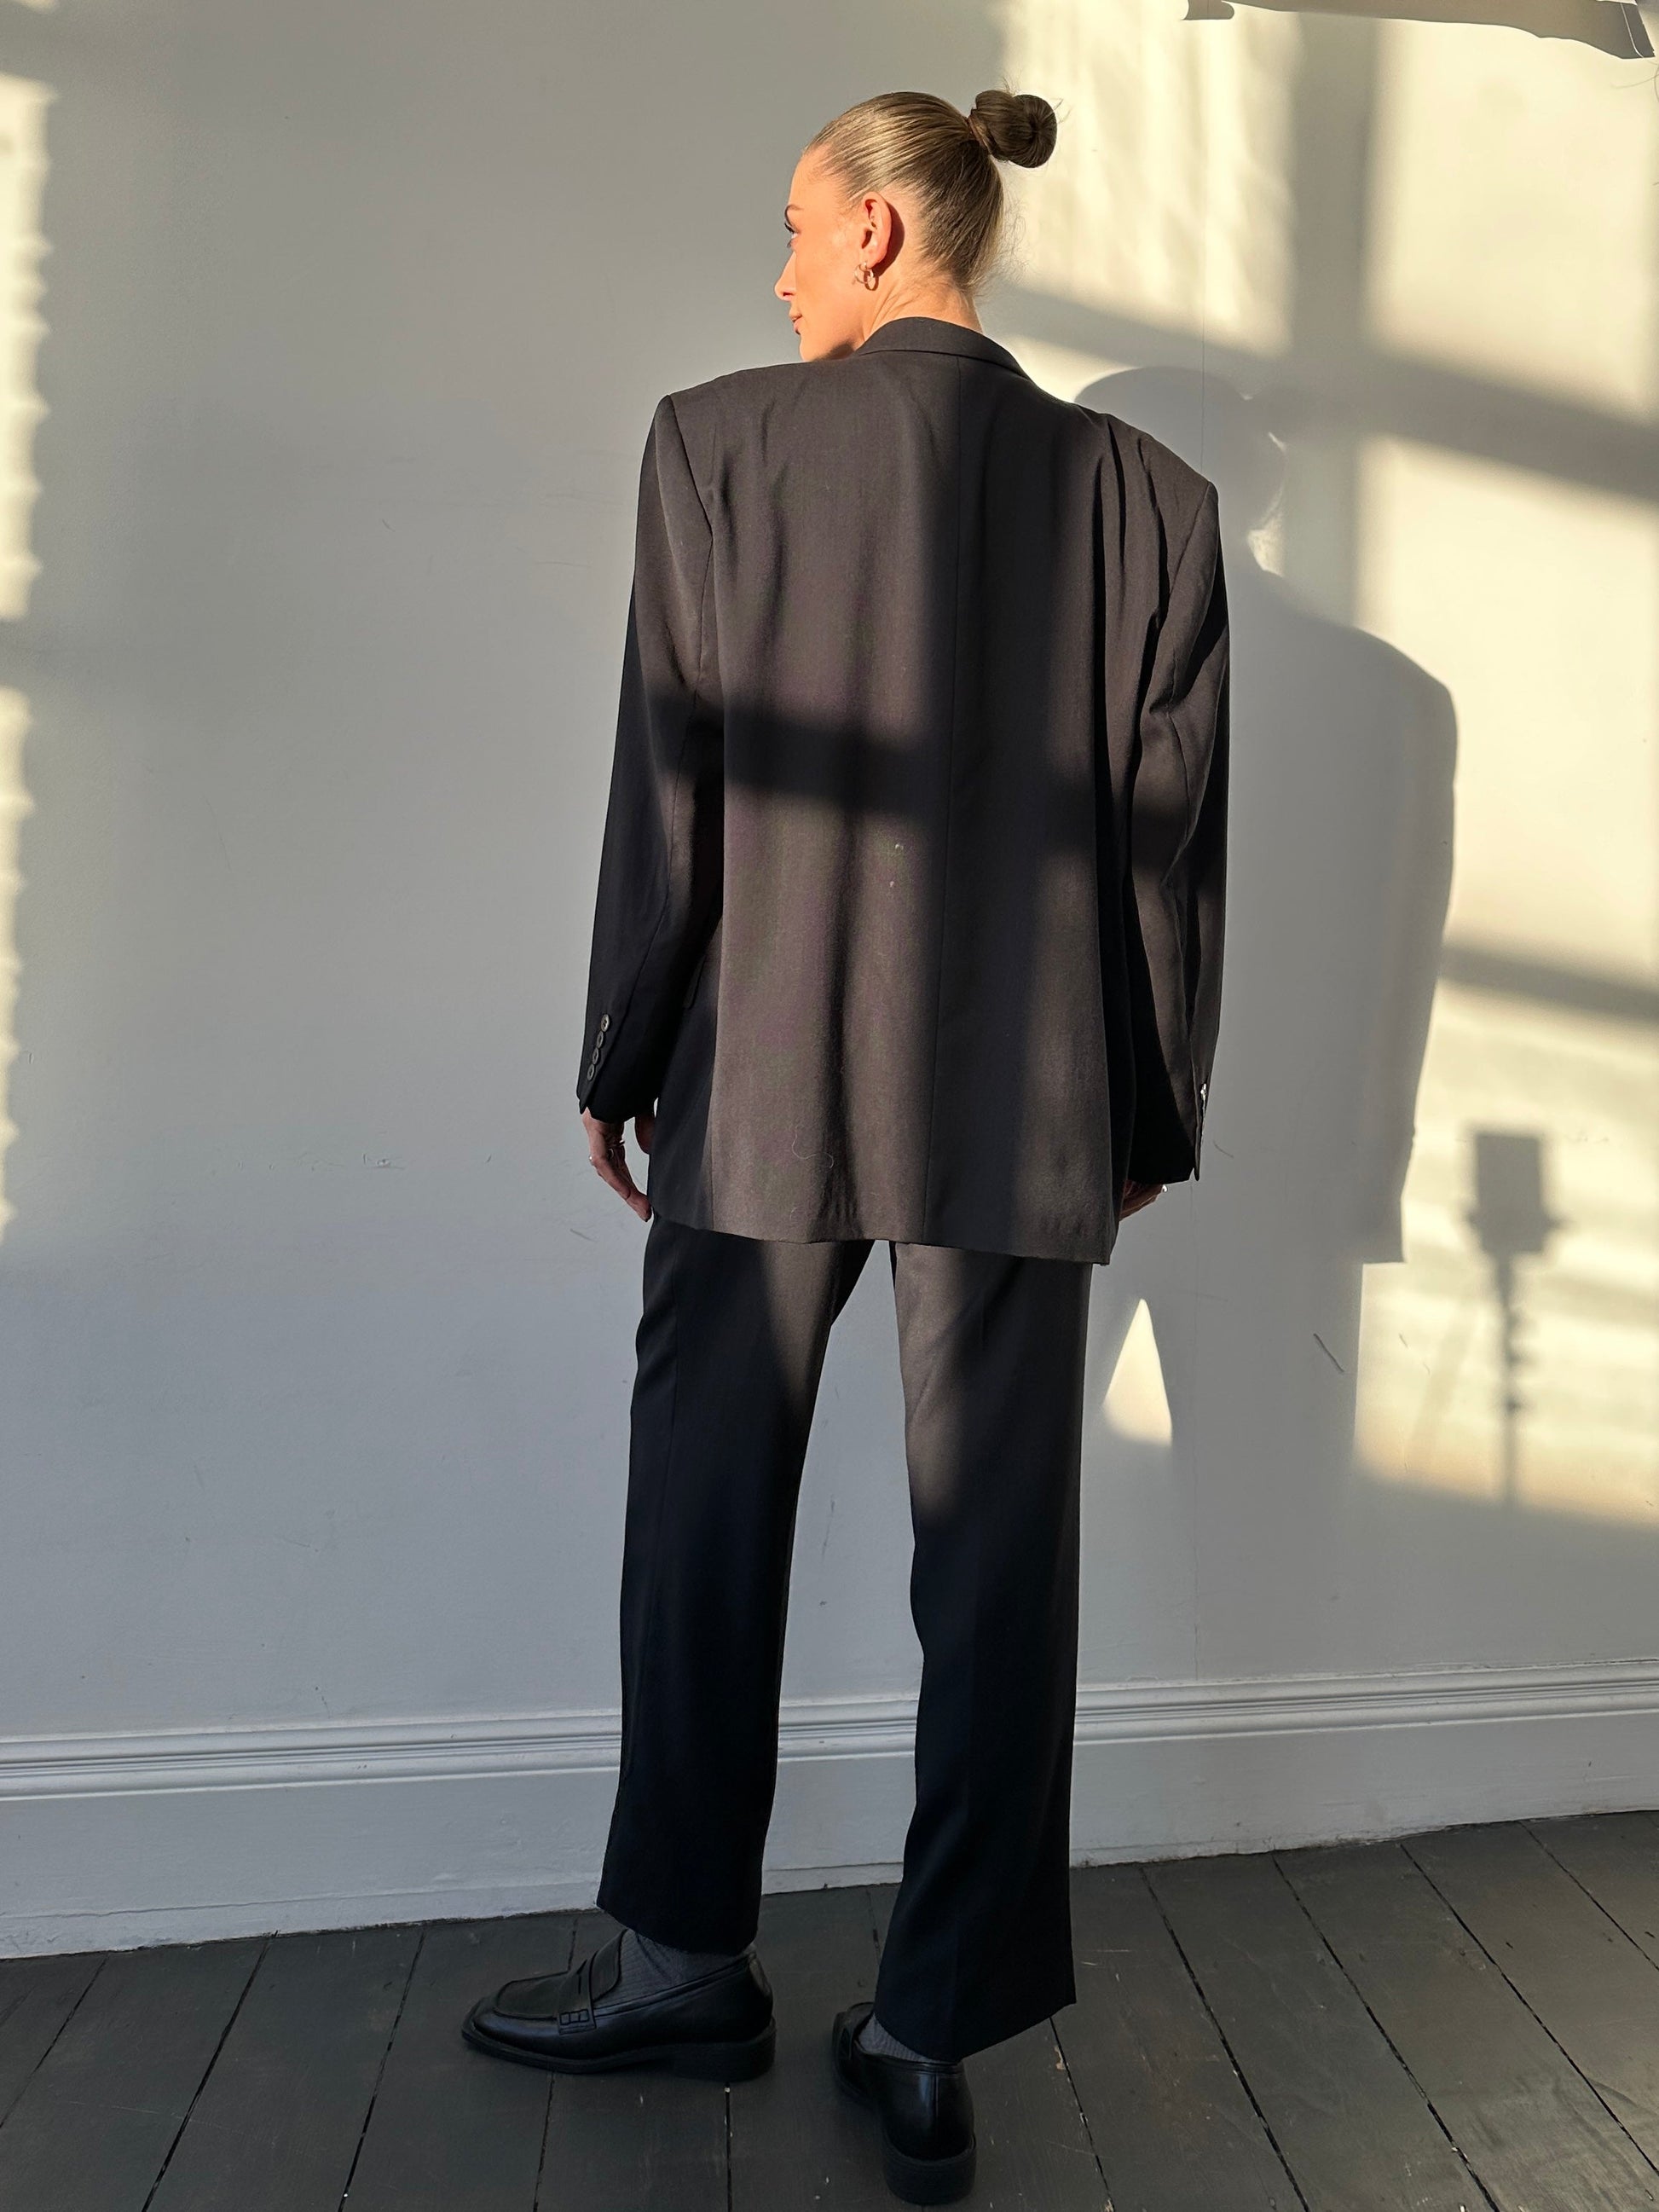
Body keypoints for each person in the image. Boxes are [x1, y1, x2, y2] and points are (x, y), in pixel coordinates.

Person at [461, 83, 1229, 2207]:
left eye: (799, 225)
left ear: (885, 227)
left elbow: (673, 774)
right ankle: (931, 2024)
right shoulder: (1152, 502)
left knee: (705, 1506)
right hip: (1027, 1096)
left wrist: (623, 1044)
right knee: (998, 1557)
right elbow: (1165, 845)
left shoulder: (718, 443)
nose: (782, 264)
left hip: (765, 1071)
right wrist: (1149, 1102)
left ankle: (678, 1964)